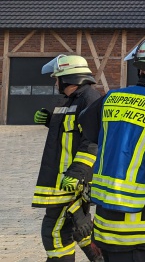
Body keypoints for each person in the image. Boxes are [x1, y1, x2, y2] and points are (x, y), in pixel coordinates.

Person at [79, 38, 145, 261]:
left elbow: (87, 127)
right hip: (143, 219)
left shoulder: (110, 98)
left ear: (141, 68)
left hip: (106, 215)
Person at [32, 54, 104, 262]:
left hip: (71, 180)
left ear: (69, 78)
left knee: (54, 232)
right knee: (77, 228)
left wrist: (76, 174)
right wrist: (50, 121)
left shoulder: (89, 98)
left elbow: (92, 141)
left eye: (58, 78)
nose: (56, 82)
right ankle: (100, 258)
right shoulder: (70, 99)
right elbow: (72, 132)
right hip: (61, 179)